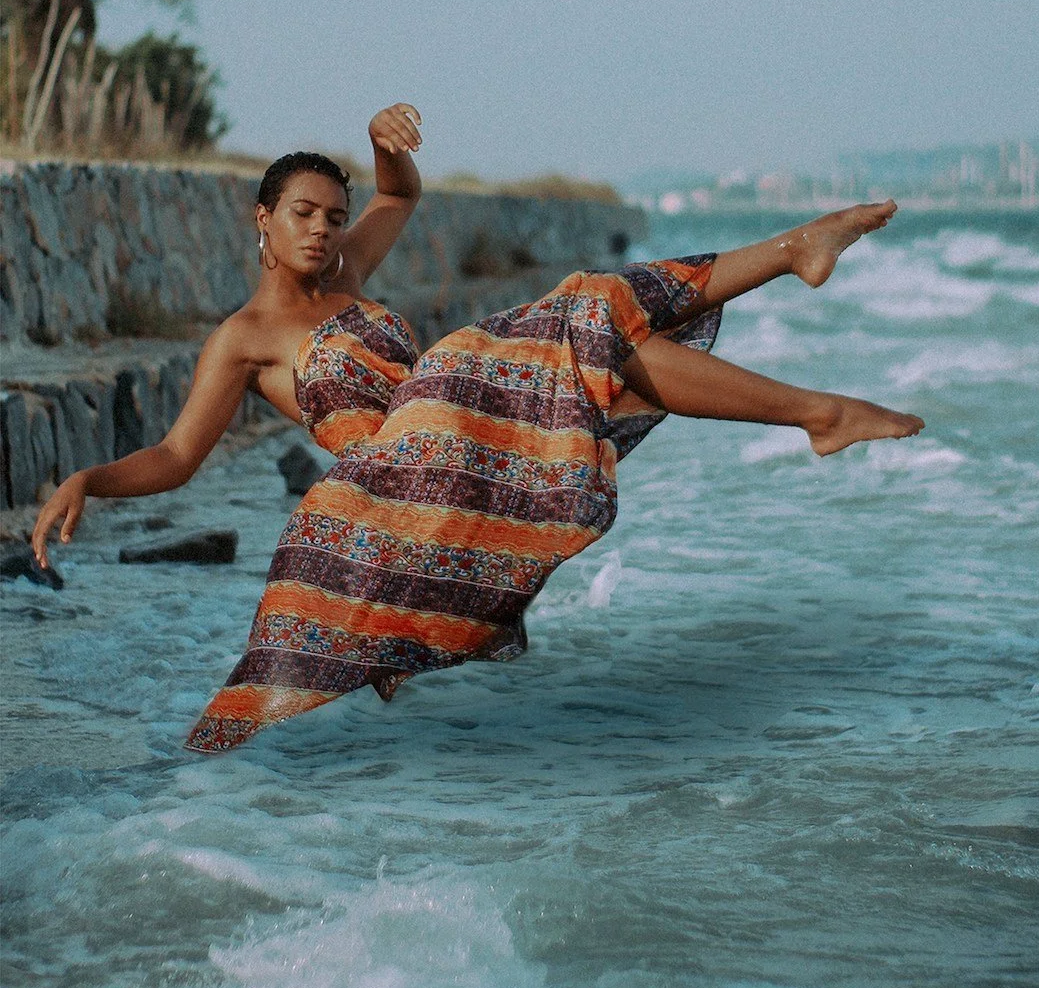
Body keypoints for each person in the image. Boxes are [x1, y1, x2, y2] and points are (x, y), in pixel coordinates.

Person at [31, 103, 923, 754]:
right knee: (567, 317)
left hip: (461, 427)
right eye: (302, 214)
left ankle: (810, 339)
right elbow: (179, 455)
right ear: (261, 220)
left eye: (333, 217)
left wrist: (385, 145)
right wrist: (90, 481)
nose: (322, 230)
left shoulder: (348, 270)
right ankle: (813, 368)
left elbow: (400, 190)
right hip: (405, 466)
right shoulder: (243, 340)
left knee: (597, 323)